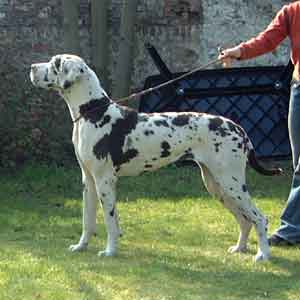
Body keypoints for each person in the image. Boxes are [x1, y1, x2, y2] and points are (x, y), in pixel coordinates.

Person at [219, 1, 300, 246]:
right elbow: (267, 40)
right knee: (298, 163)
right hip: (299, 89)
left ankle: (291, 230)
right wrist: (238, 51)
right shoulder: (292, 11)